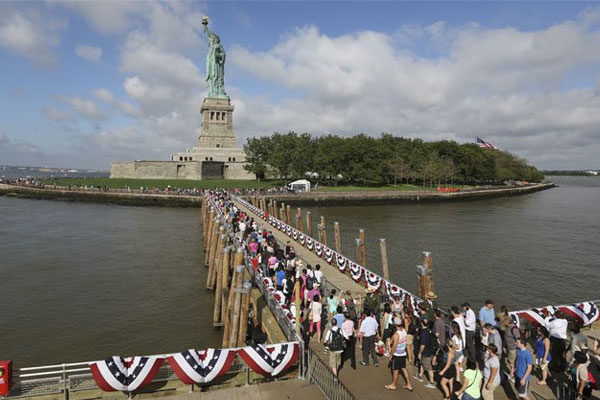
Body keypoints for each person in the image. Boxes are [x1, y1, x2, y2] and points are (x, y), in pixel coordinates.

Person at [385, 317, 413, 391]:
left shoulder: (396, 334)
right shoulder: (404, 331)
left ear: (394, 324)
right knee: (403, 368)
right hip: (403, 353)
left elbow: (394, 346)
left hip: (397, 355)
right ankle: (409, 384)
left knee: (395, 370)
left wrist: (391, 355)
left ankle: (393, 385)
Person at [414, 317, 436, 388]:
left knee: (429, 368)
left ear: (421, 324)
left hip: (426, 352)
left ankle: (432, 382)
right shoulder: (429, 330)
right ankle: (420, 376)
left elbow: (422, 345)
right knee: (422, 363)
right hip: (430, 351)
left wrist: (420, 353)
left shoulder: (423, 333)